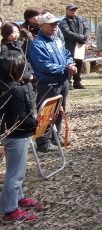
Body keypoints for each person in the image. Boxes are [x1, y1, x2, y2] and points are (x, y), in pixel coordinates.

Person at [0, 50, 42, 223]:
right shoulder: (16, 91)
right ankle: (10, 209)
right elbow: (21, 118)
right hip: (16, 136)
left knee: (13, 169)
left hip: (7, 135)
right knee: (15, 174)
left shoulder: (5, 87)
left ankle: (18, 197)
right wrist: (36, 124)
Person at [26, 12, 77, 152]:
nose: (55, 26)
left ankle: (55, 136)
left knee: (60, 111)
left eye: (56, 23)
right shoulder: (37, 44)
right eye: (51, 24)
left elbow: (66, 54)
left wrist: (70, 64)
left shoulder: (57, 40)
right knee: (47, 112)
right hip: (48, 83)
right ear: (41, 26)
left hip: (62, 81)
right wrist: (65, 69)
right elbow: (44, 65)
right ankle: (43, 141)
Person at [58, 4, 89, 89]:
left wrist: (85, 37)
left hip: (80, 45)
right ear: (67, 11)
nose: (74, 11)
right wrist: (81, 37)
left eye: (75, 10)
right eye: (72, 10)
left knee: (79, 64)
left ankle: (77, 82)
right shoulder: (64, 22)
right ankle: (68, 82)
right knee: (70, 63)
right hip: (70, 45)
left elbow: (86, 29)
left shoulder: (80, 20)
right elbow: (66, 33)